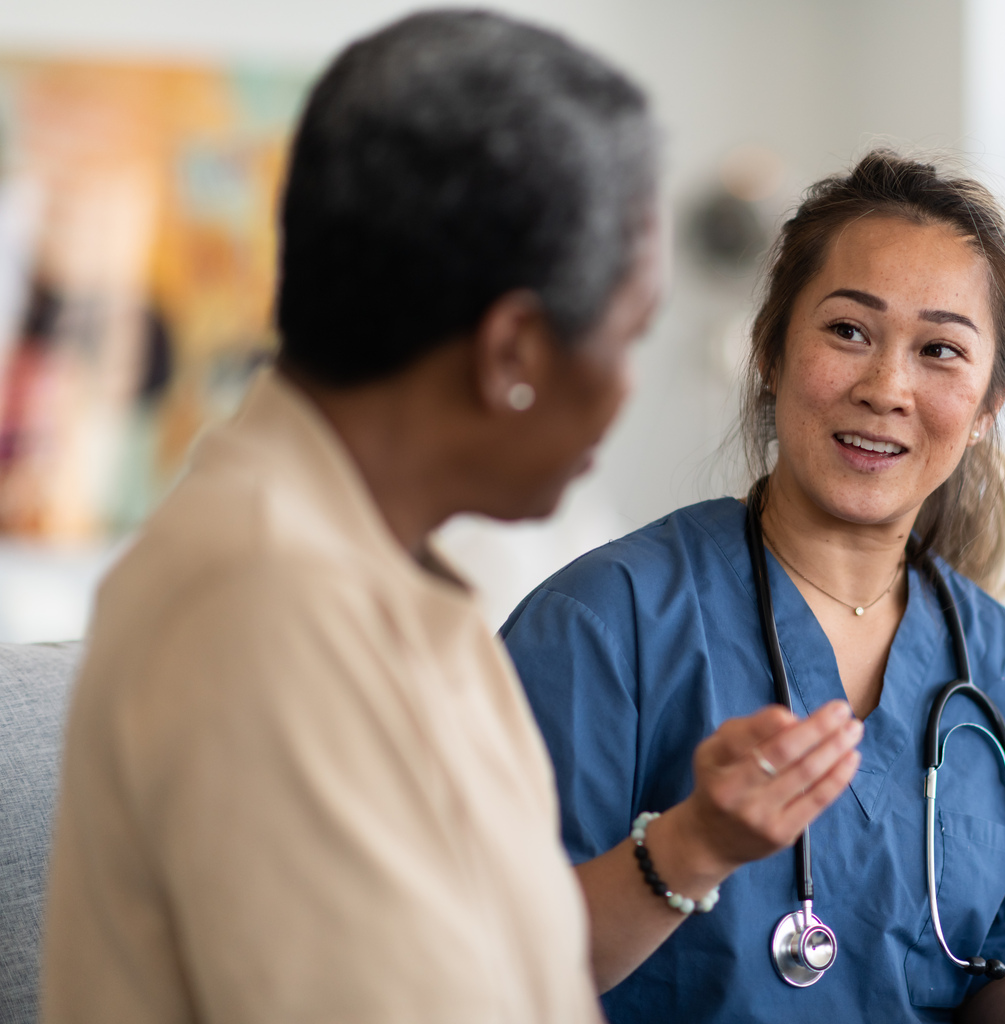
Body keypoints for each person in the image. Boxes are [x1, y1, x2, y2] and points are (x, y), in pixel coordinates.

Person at [40, 13, 864, 1023]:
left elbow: (510, 956)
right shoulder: (266, 606)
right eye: (627, 333)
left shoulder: (376, 569)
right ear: (513, 352)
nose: (623, 392)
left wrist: (692, 845)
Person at [501, 151, 1005, 1023]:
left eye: (941, 351)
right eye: (848, 332)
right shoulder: (602, 624)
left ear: (988, 404)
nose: (887, 388)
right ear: (770, 350)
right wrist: (691, 851)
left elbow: (993, 983)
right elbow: (493, 961)